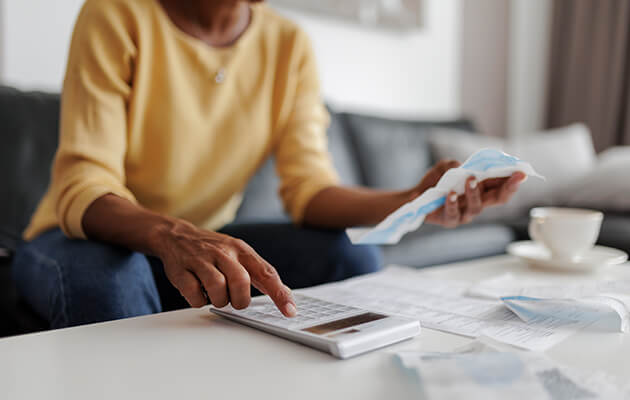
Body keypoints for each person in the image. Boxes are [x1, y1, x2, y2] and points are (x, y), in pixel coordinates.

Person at [12, 0, 525, 329]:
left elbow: (309, 189)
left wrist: (412, 201)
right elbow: (84, 184)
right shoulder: (116, 14)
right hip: (83, 237)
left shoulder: (288, 45)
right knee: (112, 283)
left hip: (199, 237)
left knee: (351, 259)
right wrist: (173, 234)